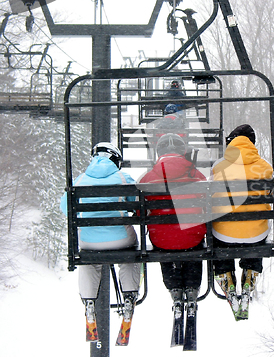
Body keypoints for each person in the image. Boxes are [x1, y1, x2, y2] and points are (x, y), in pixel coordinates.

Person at [60, 142, 141, 341]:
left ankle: (89, 302)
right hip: (121, 240)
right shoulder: (123, 177)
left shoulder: (80, 180)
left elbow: (66, 208)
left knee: (89, 261)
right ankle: (129, 296)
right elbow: (137, 203)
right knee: (131, 256)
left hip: (89, 242)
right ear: (116, 160)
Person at [138, 133, 207, 325]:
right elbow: (209, 203)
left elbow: (138, 212)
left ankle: (175, 290)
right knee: (193, 243)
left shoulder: (148, 176)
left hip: (162, 240)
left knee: (166, 239)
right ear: (182, 151)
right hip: (192, 238)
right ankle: (192, 291)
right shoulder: (195, 173)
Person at [210, 124, 273, 319]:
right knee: (254, 232)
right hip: (255, 235)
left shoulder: (218, 167)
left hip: (224, 235)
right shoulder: (266, 168)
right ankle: (250, 274)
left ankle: (225, 276)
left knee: (221, 237)